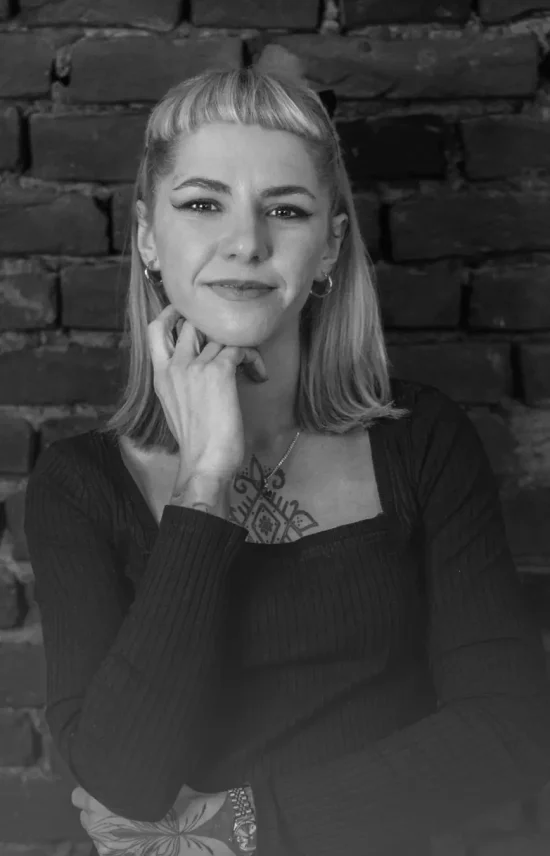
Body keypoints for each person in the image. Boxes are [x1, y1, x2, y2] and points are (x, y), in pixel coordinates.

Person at [23, 46, 550, 856]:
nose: (245, 243)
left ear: (331, 247)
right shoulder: (80, 484)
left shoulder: (422, 440)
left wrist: (251, 826)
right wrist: (206, 482)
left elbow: (511, 730)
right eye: (202, 204)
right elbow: (120, 780)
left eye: (287, 210)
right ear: (148, 238)